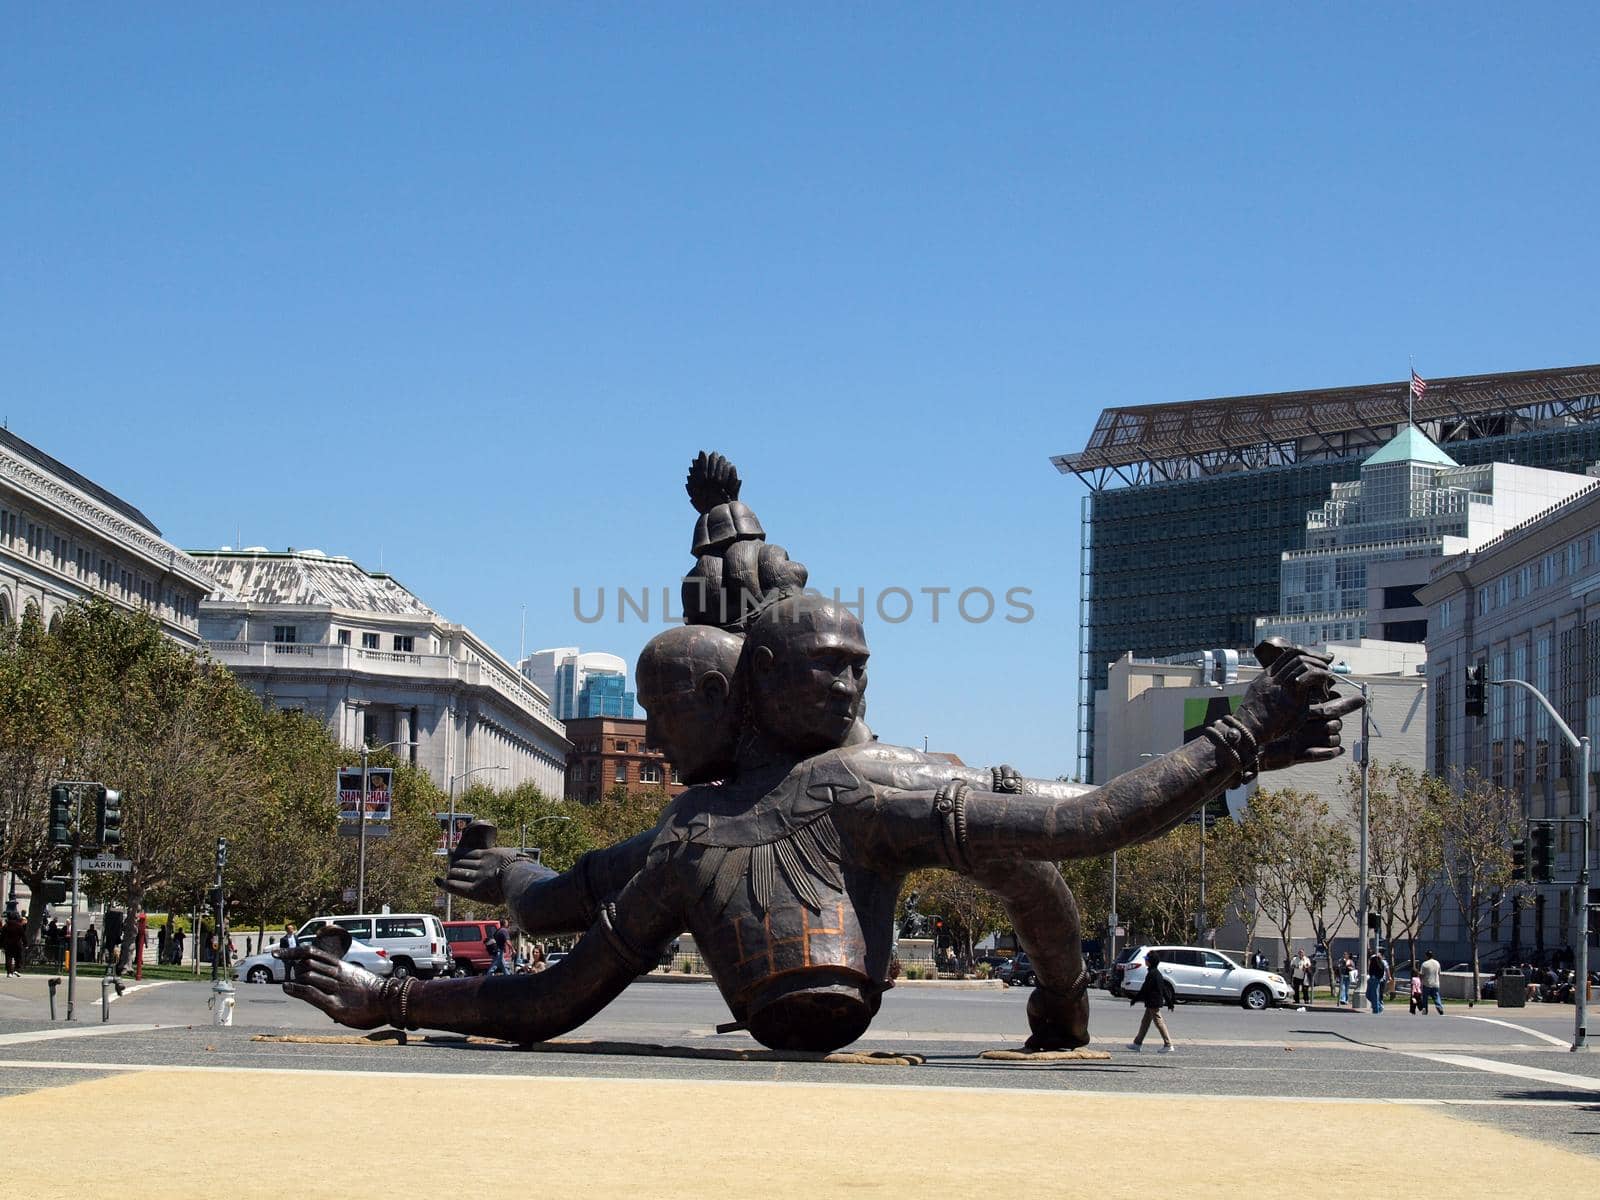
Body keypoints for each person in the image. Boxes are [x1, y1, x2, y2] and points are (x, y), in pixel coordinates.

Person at [1127, 951, 1176, 1053]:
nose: (1145, 960)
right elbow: (1164, 989)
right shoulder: (1156, 973)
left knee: (1159, 1022)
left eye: (1146, 959)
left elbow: (1145, 988)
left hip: (1153, 1002)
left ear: (1150, 962)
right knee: (1145, 1023)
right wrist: (1169, 1002)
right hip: (1152, 1002)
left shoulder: (1153, 974)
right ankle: (1137, 1043)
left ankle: (1168, 1044)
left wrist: (1135, 999)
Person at [1, 907, 25, 977]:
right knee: (18, 957)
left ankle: (9, 972)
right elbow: (23, 935)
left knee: (8, 958)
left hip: (8, 944)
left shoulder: (6, 926)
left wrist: (1, 944)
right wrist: (25, 943)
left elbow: (2, 936)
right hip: (17, 943)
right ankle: (17, 969)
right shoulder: (19, 926)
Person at [1419, 951, 1444, 1015]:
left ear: (1426, 956)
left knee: (1425, 998)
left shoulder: (1424, 964)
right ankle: (1439, 1007)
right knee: (1436, 997)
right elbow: (1439, 973)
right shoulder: (1437, 963)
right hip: (1436, 984)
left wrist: (1420, 981)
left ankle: (1425, 1010)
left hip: (1427, 983)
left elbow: (1422, 974)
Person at [1366, 948, 1388, 1014]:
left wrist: (1378, 977)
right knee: (1368, 995)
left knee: (1374, 995)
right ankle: (1378, 1006)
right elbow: (1370, 969)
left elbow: (1382, 971)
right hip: (1371, 978)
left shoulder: (1380, 962)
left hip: (1376, 979)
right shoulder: (1373, 959)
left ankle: (1376, 1009)